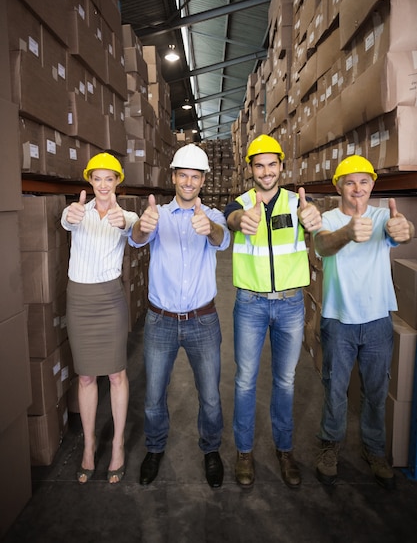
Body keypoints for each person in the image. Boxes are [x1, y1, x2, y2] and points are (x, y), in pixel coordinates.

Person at [128, 143, 230, 488]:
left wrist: (209, 228)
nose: (188, 182)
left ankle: (211, 450)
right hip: (161, 321)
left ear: (202, 181)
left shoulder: (211, 216)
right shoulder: (157, 215)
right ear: (173, 177)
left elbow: (222, 239)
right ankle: (154, 449)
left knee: (211, 396)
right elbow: (138, 239)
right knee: (154, 395)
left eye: (195, 177)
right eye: (183, 175)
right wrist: (143, 225)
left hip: (203, 321)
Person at [224, 134, 322, 489]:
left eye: (272, 165)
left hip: (291, 304)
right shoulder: (241, 202)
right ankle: (244, 452)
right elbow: (230, 217)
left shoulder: (298, 203)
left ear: (281, 167)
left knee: (285, 381)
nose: (266, 172)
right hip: (250, 304)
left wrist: (313, 216)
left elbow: (314, 222)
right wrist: (238, 220)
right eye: (259, 165)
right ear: (250, 169)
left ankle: (285, 450)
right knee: (245, 381)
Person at [313, 155, 415, 490]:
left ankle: (374, 451)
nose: (358, 189)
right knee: (335, 388)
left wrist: (407, 230)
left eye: (364, 182)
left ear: (372, 185)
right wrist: (347, 231)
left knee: (375, 391)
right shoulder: (326, 217)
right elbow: (323, 245)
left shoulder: (385, 216)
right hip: (338, 320)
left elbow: (401, 233)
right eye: (350, 182)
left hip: (377, 322)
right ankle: (330, 446)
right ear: (339, 186)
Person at [61, 152, 139, 484]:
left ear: (118, 182)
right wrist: (70, 212)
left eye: (110, 179)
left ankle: (118, 445)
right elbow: (66, 219)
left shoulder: (127, 216)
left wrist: (130, 225)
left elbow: (139, 235)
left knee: (117, 375)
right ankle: (90, 447)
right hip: (79, 299)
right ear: (90, 181)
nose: (103, 185)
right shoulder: (77, 212)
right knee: (86, 377)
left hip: (110, 299)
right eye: (97, 178)